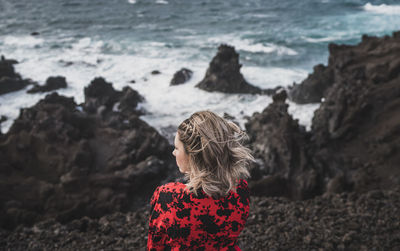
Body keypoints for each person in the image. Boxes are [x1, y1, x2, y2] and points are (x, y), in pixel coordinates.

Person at [147, 111, 254, 251]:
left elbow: (155, 246)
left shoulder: (167, 196)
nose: (173, 153)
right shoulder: (240, 190)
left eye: (176, 148)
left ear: (192, 155)